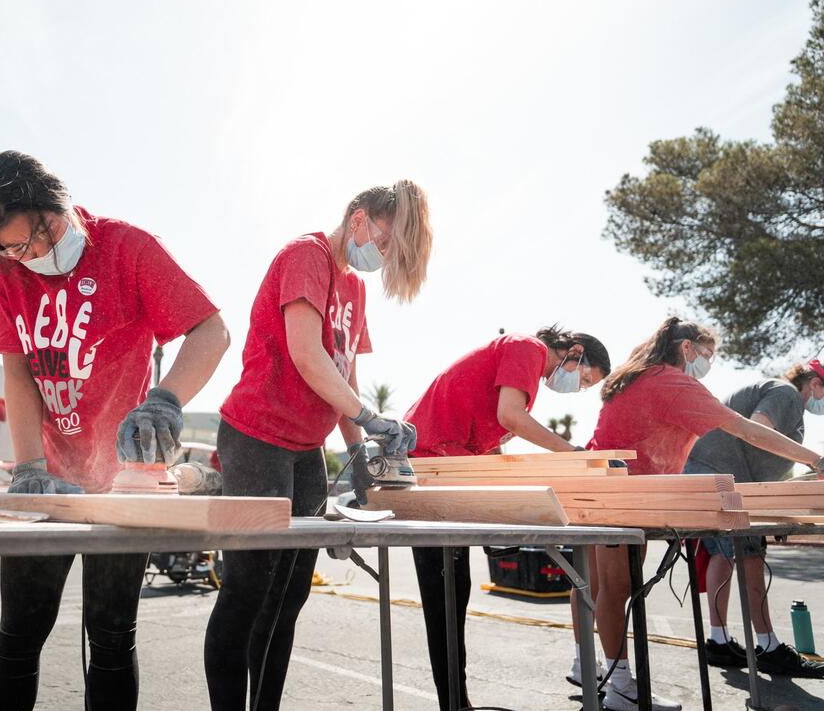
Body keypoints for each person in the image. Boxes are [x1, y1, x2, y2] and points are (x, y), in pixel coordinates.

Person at [0, 151, 230, 710]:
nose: (34, 254)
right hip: (52, 479)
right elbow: (17, 367)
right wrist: (31, 467)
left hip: (122, 483)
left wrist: (165, 400)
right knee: (18, 637)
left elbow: (211, 331)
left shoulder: (126, 248)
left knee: (111, 640)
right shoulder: (6, 268)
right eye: (15, 247)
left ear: (59, 203)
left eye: (42, 234)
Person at [204, 180, 433, 710]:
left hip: (306, 446)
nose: (384, 257)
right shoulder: (306, 255)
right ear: (359, 221)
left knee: (289, 596)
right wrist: (370, 417)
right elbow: (308, 355)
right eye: (386, 244)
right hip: (256, 434)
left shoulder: (354, 289)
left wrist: (360, 455)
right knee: (248, 587)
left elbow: (345, 374)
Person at [586, 317, 823, 711]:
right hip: (626, 491)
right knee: (617, 590)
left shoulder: (638, 375)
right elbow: (746, 430)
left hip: (606, 485)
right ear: (687, 348)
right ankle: (621, 688)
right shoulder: (673, 382)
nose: (709, 363)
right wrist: (815, 458)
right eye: (707, 354)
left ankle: (616, 681)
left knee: (610, 590)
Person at [403, 325, 612, 710]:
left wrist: (507, 496)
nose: (577, 387)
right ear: (575, 351)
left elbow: (492, 445)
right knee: (444, 595)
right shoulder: (527, 348)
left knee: (453, 592)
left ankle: (455, 701)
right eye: (584, 378)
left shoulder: (523, 368)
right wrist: (572, 454)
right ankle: (454, 703)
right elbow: (511, 417)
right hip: (430, 463)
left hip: (446, 465)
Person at [682, 359, 824, 677]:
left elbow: (765, 453)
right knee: (748, 555)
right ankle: (768, 647)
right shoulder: (786, 394)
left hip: (715, 472)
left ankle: (720, 641)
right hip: (724, 476)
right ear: (815, 383)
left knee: (724, 553)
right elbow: (758, 429)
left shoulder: (781, 395)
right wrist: (817, 462)